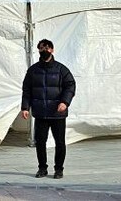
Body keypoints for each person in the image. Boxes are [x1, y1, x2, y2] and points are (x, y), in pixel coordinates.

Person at [20, 38, 76, 179]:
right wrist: (25, 107)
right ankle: (42, 168)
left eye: (46, 48)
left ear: (52, 49)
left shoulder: (61, 69)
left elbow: (70, 86)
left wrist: (65, 102)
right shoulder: (33, 70)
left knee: (60, 142)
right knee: (40, 142)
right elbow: (27, 90)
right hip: (40, 113)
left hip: (58, 113)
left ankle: (59, 169)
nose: (43, 51)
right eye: (40, 48)